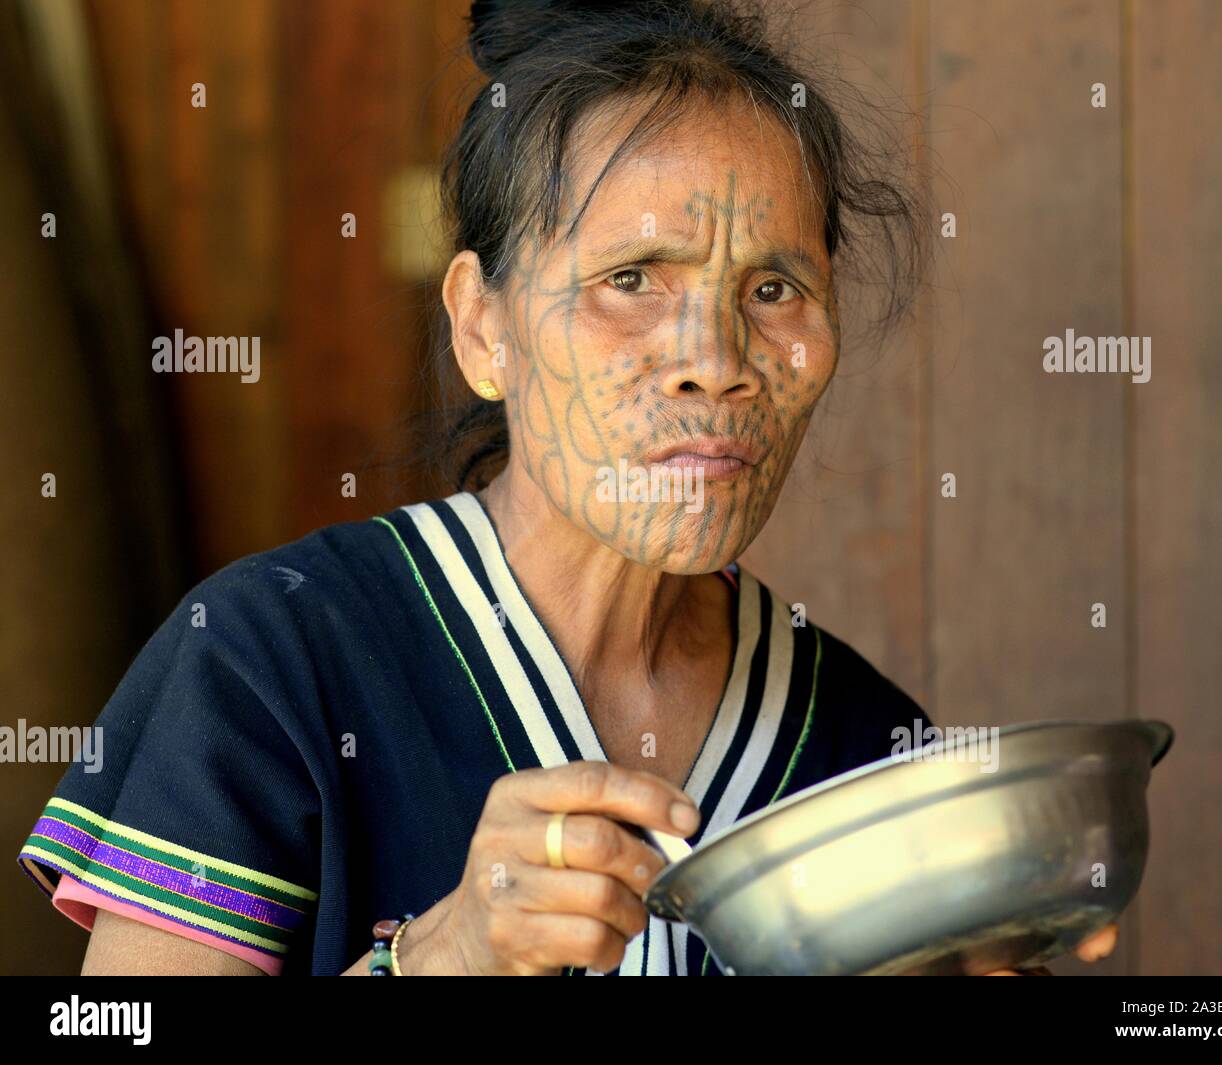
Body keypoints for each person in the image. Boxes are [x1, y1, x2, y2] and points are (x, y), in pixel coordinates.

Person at [17, 0, 1116, 976]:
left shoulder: (867, 755)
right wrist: (441, 959)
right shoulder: (274, 660)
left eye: (774, 286)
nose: (716, 355)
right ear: (482, 327)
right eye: (631, 280)